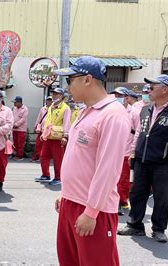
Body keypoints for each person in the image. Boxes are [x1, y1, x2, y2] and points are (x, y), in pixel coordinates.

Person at [54, 56, 130, 266]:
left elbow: (108, 169)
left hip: (92, 209)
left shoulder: (113, 115)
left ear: (87, 80)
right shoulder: (85, 112)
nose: (68, 86)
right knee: (70, 260)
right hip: (72, 202)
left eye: (71, 80)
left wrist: (91, 212)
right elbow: (80, 160)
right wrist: (66, 195)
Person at [118, 74, 168, 243]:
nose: (148, 91)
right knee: (137, 193)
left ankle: (158, 229)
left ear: (165, 89)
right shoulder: (146, 109)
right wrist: (133, 151)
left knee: (161, 196)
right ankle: (135, 225)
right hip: (142, 159)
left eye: (152, 88)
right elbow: (139, 131)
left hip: (164, 162)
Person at [110, 87, 141, 216]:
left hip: (126, 151)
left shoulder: (134, 112)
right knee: (111, 178)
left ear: (127, 98)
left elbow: (138, 132)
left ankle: (120, 202)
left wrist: (134, 150)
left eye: (120, 95)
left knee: (123, 180)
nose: (117, 97)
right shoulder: (110, 111)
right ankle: (116, 201)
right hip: (111, 151)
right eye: (115, 94)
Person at [35, 87, 71, 186]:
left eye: (57, 94)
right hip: (49, 136)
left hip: (58, 137)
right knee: (44, 156)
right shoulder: (51, 107)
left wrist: (65, 136)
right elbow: (47, 121)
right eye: (54, 93)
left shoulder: (65, 108)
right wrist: (43, 133)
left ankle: (58, 177)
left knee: (58, 159)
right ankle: (46, 175)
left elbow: (66, 123)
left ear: (62, 96)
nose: (55, 95)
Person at [31, 96, 53, 162]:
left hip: (48, 130)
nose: (49, 101)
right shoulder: (43, 109)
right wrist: (36, 126)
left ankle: (43, 157)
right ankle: (37, 156)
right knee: (38, 144)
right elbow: (39, 118)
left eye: (50, 100)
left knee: (46, 145)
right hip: (41, 129)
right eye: (48, 100)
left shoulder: (54, 108)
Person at [12, 96, 28, 161]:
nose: (14, 104)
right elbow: (12, 116)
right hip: (14, 128)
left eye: (15, 102)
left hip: (21, 129)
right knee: (15, 142)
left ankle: (20, 156)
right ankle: (15, 154)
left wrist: (16, 124)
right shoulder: (14, 108)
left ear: (19, 102)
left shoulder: (25, 109)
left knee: (20, 143)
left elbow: (23, 119)